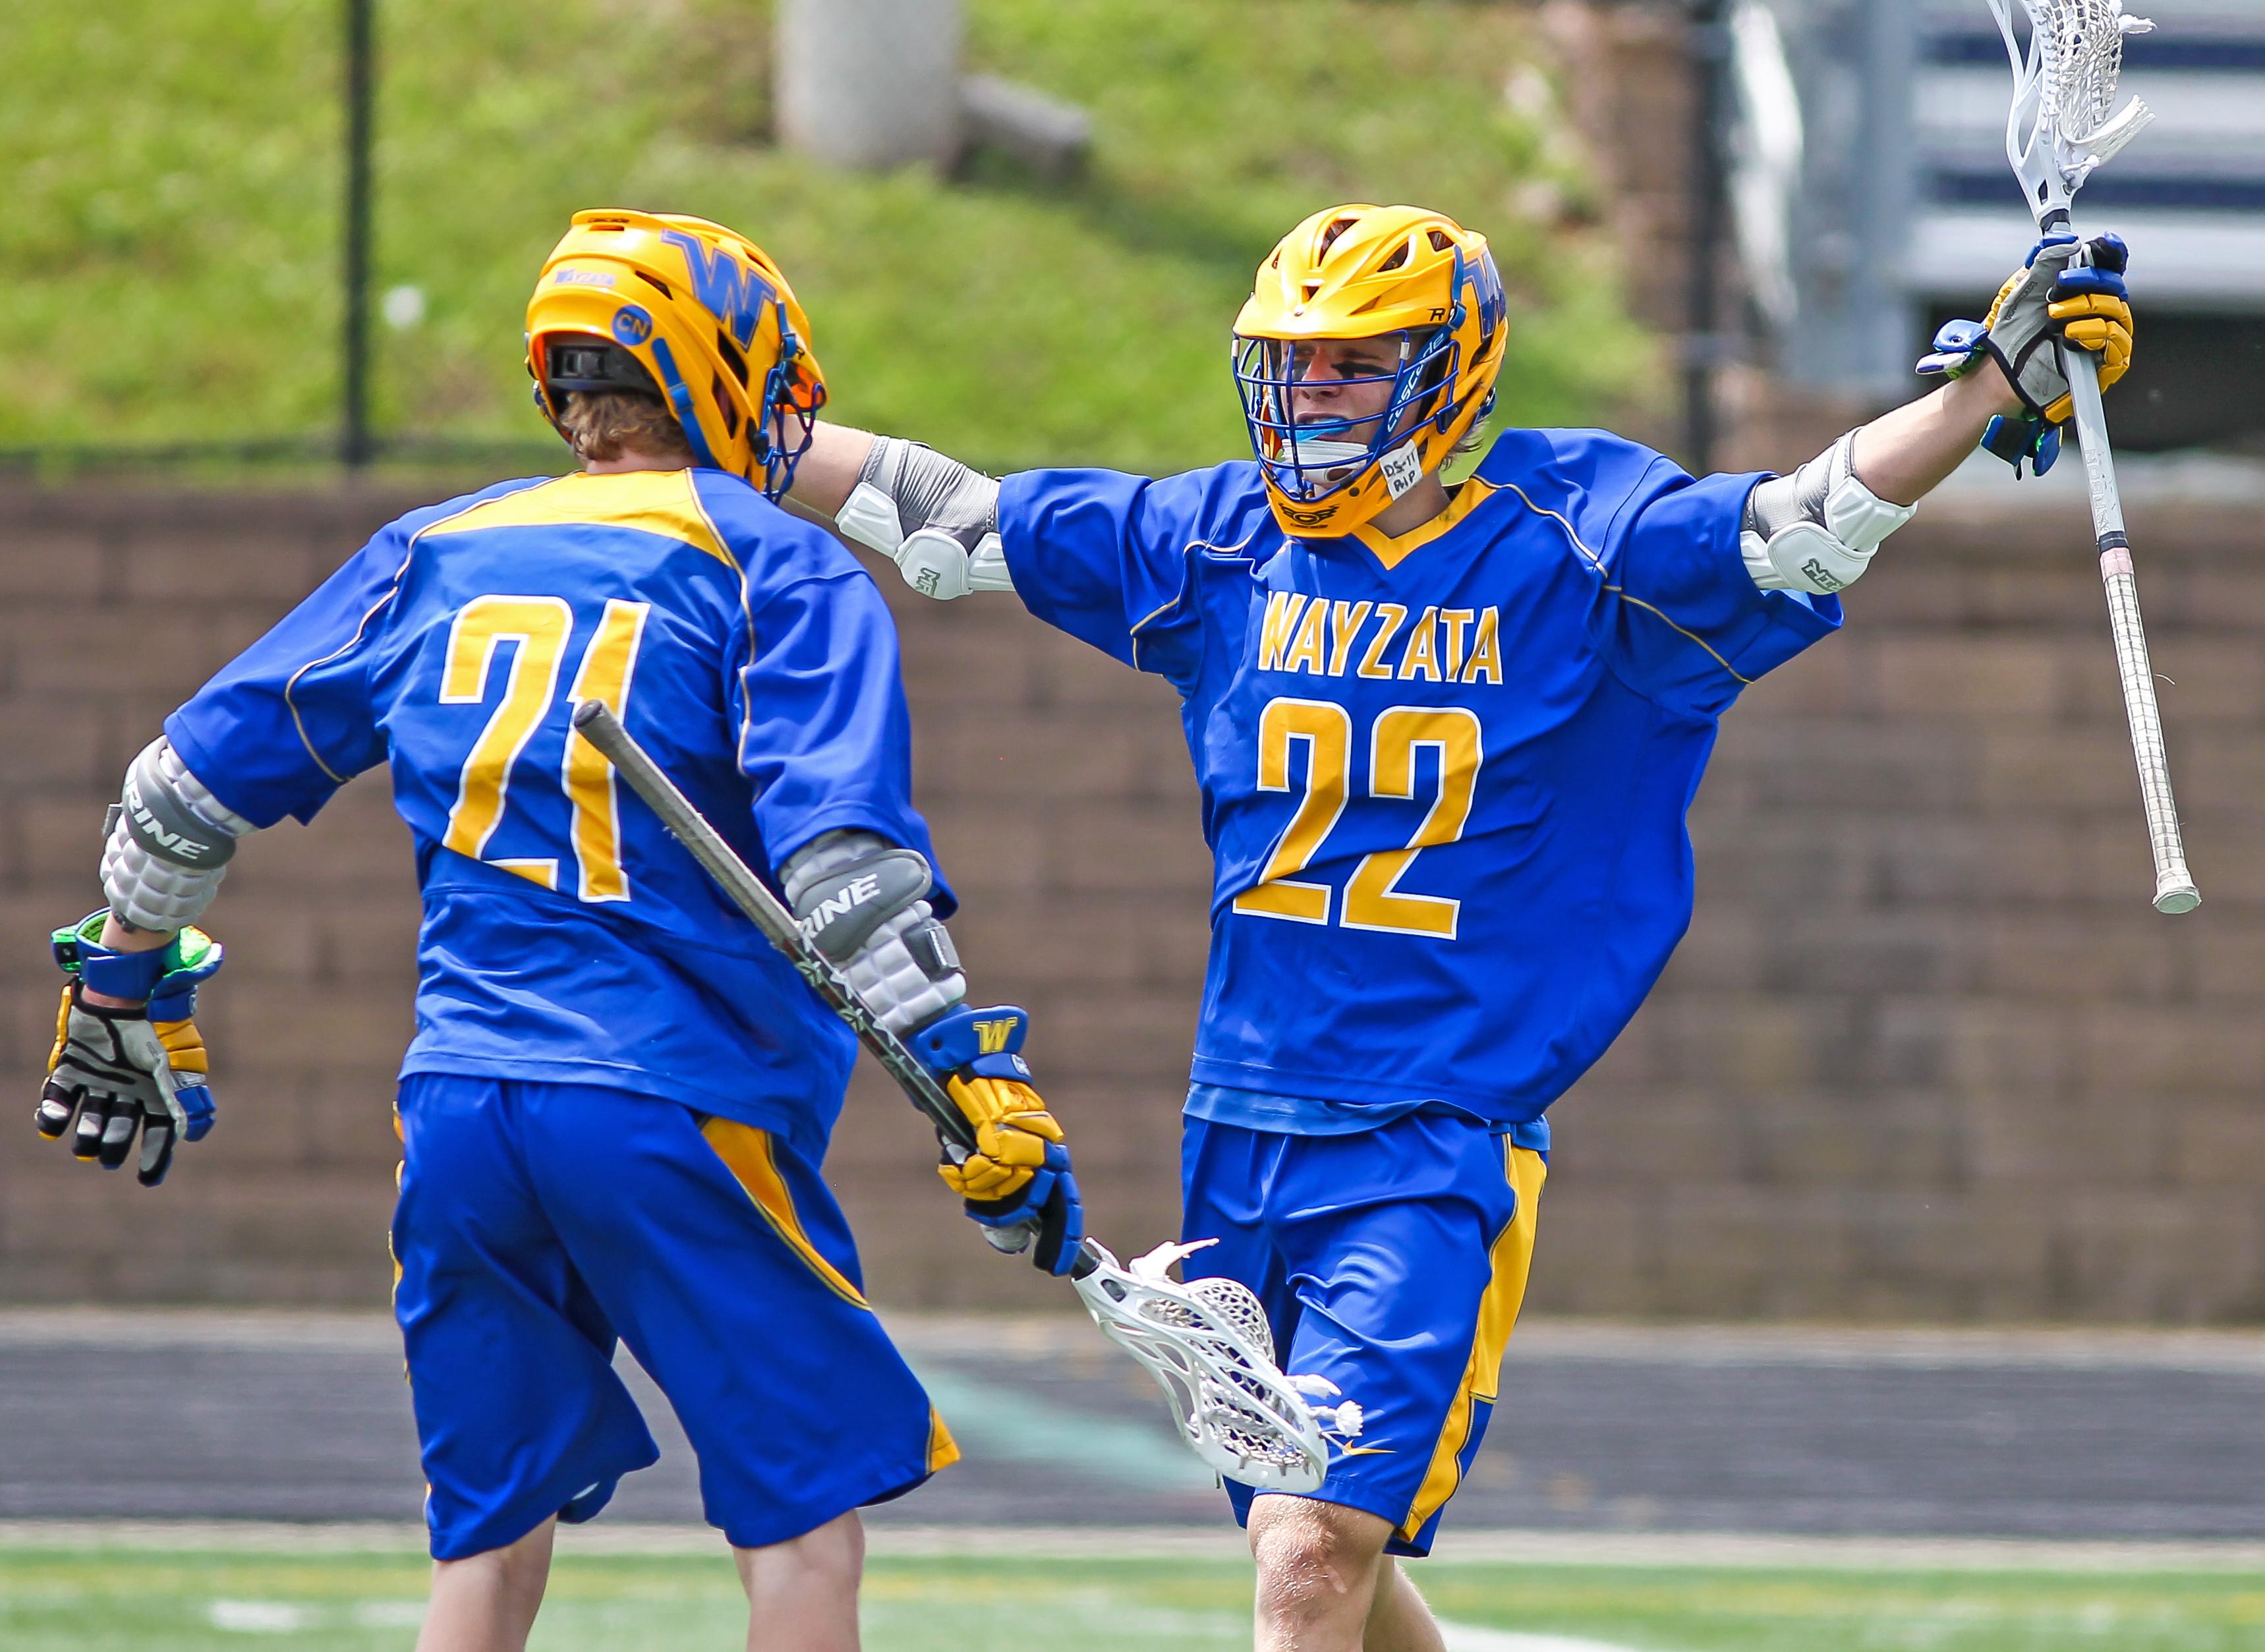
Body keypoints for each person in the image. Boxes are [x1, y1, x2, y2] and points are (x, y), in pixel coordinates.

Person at [784, 204, 2135, 1652]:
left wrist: (1983, 392)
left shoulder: (1572, 539)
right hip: (1239, 1118)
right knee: (1327, 1563)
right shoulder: (1220, 537)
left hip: (1430, 1140)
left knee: (1311, 1552)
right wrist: (743, 429)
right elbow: (954, 524)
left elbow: (1804, 521)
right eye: (1292, 371)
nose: (1310, 406)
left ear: (1453, 372)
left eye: (1355, 371)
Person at [32, 208, 1084, 1652]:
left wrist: (121, 986)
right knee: (799, 1521)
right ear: (730, 372)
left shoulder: (435, 547)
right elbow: (848, 874)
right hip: (673, 1104)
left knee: (488, 1534)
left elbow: (172, 799)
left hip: (460, 1106)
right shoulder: (772, 561)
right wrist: (966, 1063)